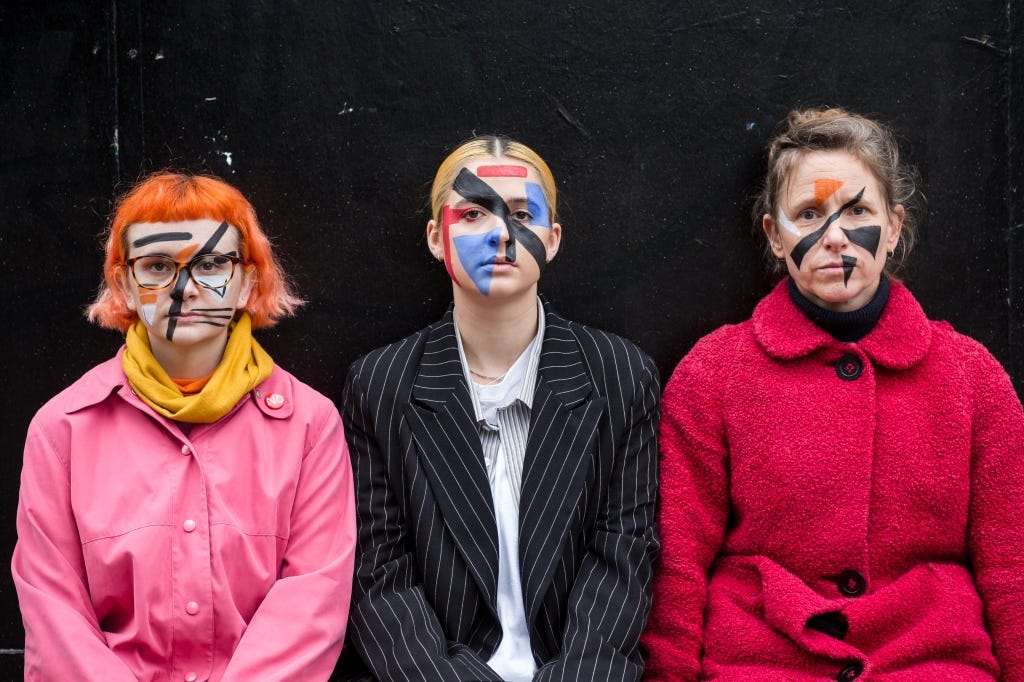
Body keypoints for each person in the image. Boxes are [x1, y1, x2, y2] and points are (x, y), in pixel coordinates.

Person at [641, 107, 1024, 680]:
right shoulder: (714, 374)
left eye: (858, 211)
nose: (835, 236)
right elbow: (677, 562)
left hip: (932, 660)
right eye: (809, 214)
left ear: (894, 228)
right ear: (774, 235)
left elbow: (1011, 564)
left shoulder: (973, 379)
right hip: (759, 661)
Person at [12, 172, 356, 681]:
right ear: (124, 284)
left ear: (249, 282)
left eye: (213, 263)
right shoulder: (61, 429)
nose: (184, 289)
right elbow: (54, 615)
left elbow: (312, 601)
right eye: (156, 266)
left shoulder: (309, 425)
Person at [340, 136, 660, 681]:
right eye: (471, 213)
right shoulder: (380, 386)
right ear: (436, 239)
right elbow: (379, 578)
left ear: (553, 239)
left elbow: (623, 558)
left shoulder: (620, 375)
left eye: (521, 213)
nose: (499, 233)